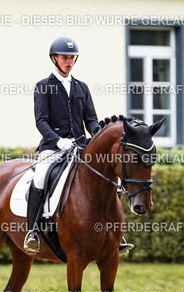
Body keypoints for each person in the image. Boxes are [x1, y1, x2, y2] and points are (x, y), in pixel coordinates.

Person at [24, 37, 134, 256]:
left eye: (72, 58)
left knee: (112, 177)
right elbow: (41, 121)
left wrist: (97, 136)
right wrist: (58, 140)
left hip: (81, 147)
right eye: (65, 58)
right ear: (54, 59)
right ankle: (32, 232)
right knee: (40, 176)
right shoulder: (43, 87)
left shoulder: (81, 87)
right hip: (53, 147)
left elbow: (91, 119)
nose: (69, 62)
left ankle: (115, 233)